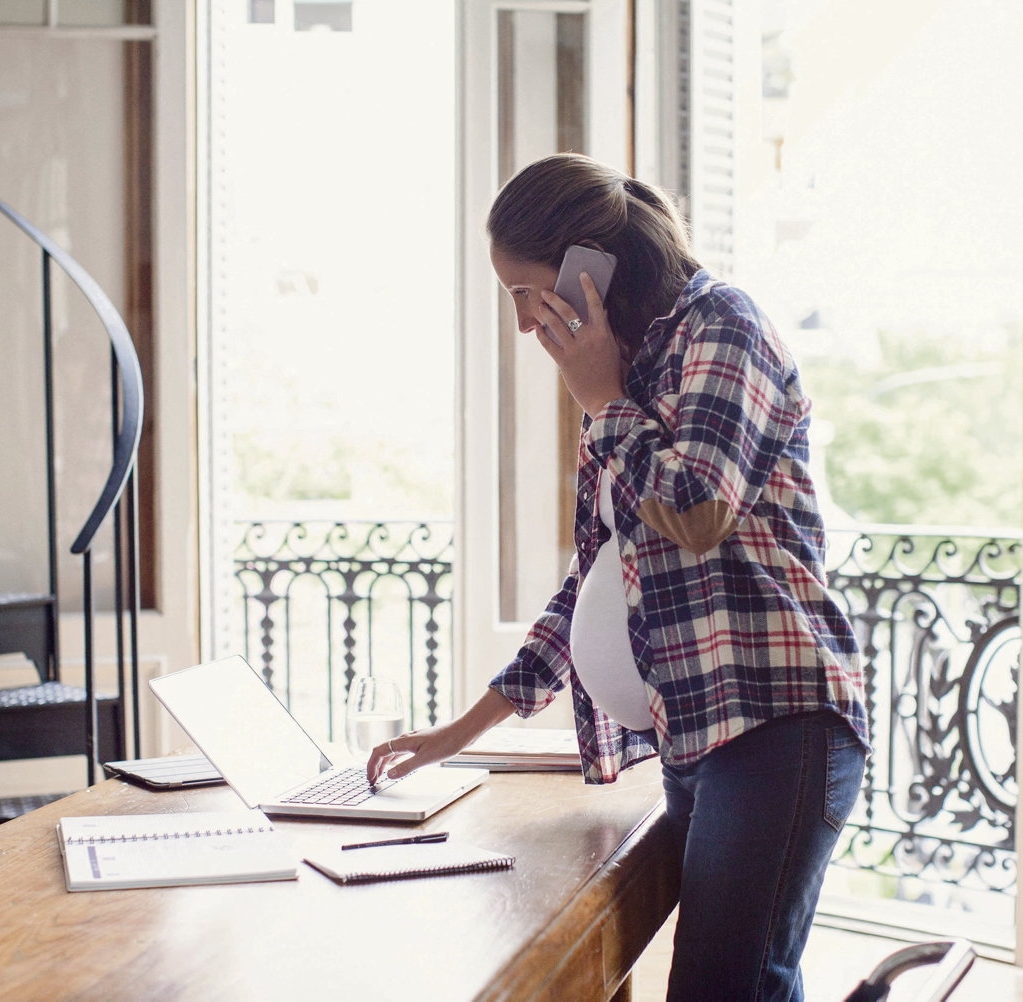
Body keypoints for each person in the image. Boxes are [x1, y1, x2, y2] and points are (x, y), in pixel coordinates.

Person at [366, 153, 868, 1002]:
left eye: (526, 292)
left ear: (585, 266)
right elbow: (591, 586)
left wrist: (604, 400)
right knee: (736, 983)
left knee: (722, 987)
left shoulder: (723, 327)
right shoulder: (623, 374)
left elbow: (701, 507)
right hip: (699, 733)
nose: (525, 324)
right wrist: (462, 731)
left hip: (780, 722)